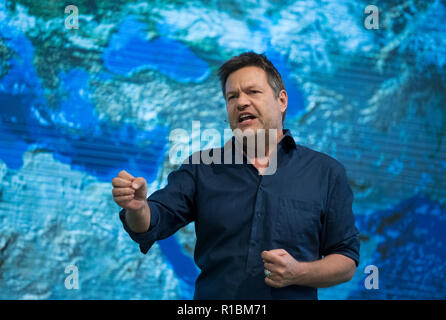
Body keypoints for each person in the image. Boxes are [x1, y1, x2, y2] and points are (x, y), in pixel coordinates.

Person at [112, 52, 360, 299]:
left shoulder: (326, 172)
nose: (241, 102)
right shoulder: (202, 167)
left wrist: (298, 272)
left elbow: (346, 259)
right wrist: (137, 207)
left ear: (282, 101)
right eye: (232, 97)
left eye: (253, 92)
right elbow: (152, 221)